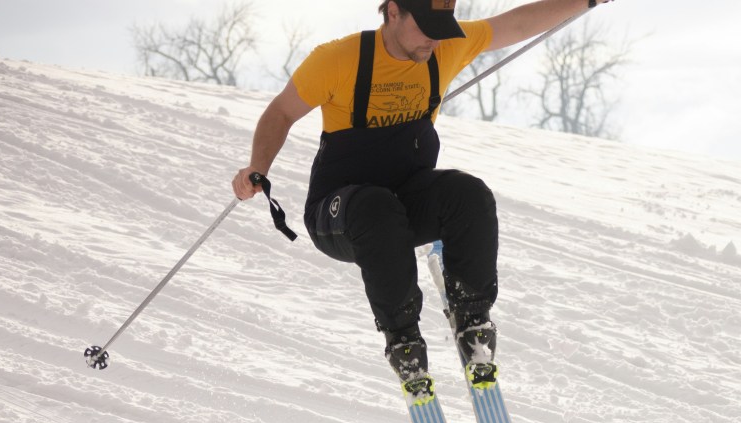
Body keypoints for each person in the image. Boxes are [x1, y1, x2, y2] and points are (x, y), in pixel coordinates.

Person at [232, 0, 612, 401]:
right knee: (375, 207)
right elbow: (280, 113)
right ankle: (404, 342)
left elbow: (515, 24)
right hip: (341, 213)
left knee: (469, 194)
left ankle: (472, 322)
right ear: (393, 12)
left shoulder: (443, 49)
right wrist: (257, 168)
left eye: (442, 26)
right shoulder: (339, 59)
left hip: (403, 202)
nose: (435, 38)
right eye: (426, 26)